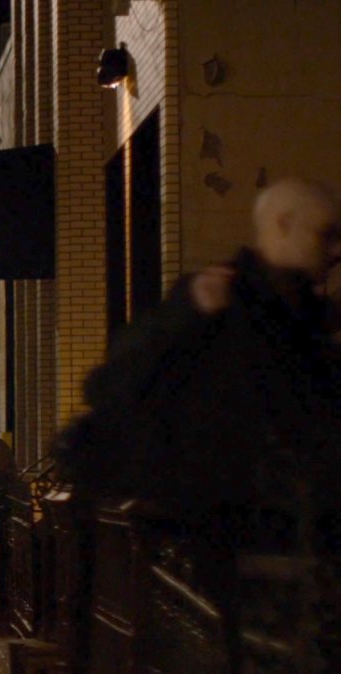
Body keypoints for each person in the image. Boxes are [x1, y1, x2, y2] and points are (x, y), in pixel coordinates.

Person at [56, 177, 341, 670]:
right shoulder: (219, 305)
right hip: (234, 555)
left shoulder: (304, 320)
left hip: (276, 553)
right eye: (326, 233)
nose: (335, 248)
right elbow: (111, 383)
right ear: (283, 225)